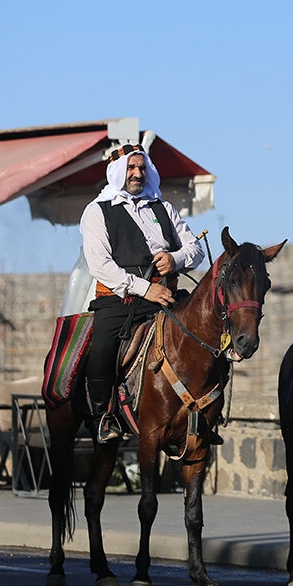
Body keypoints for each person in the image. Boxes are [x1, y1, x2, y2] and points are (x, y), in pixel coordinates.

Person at [80, 143, 204, 443]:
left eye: (141, 168)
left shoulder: (163, 208)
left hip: (167, 298)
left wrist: (175, 259)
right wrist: (144, 288)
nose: (137, 173)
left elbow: (195, 249)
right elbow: (100, 265)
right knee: (102, 349)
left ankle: (207, 412)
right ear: (118, 172)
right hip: (120, 301)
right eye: (131, 168)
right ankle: (103, 416)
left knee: (206, 331)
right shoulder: (97, 212)